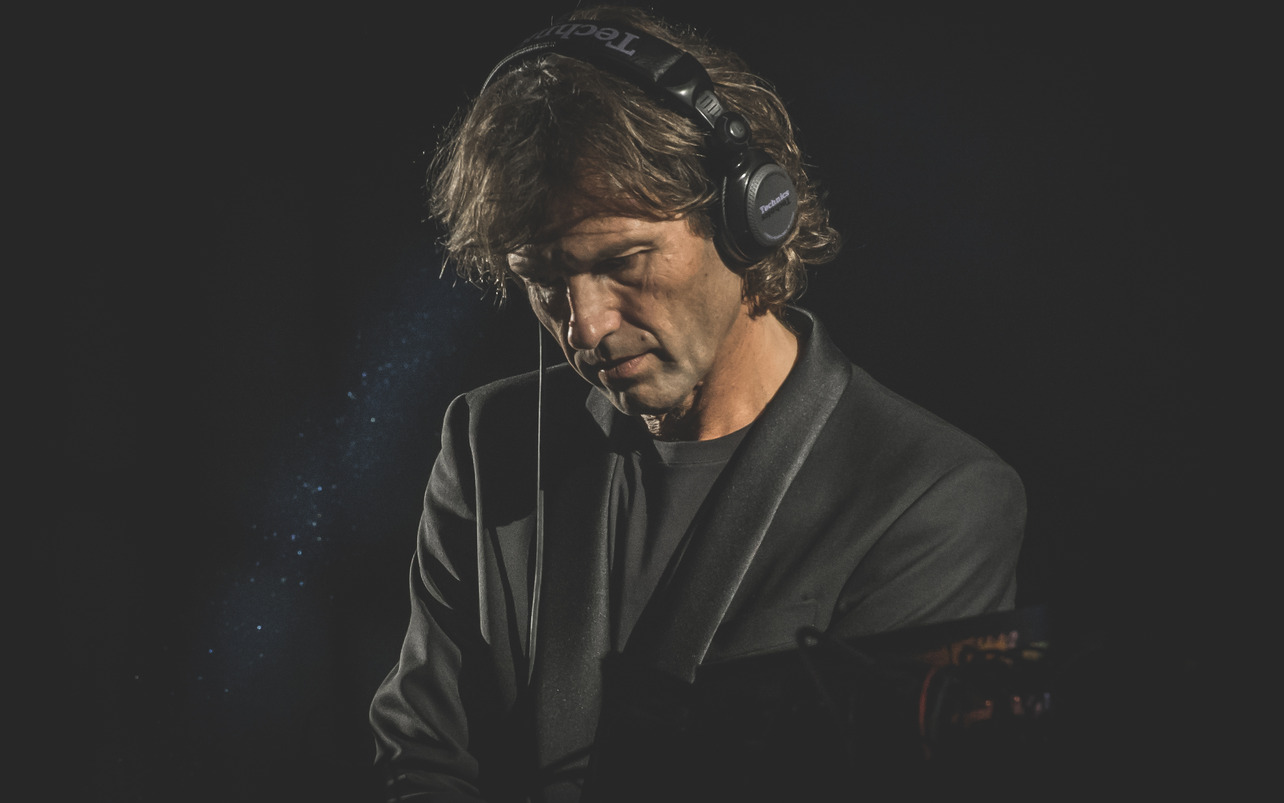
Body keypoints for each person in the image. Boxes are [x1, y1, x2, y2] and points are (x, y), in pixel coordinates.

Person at [369, 5, 1025, 801]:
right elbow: (420, 758)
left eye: (624, 261)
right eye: (545, 283)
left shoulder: (937, 501)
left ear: (747, 216)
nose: (585, 327)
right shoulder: (486, 442)